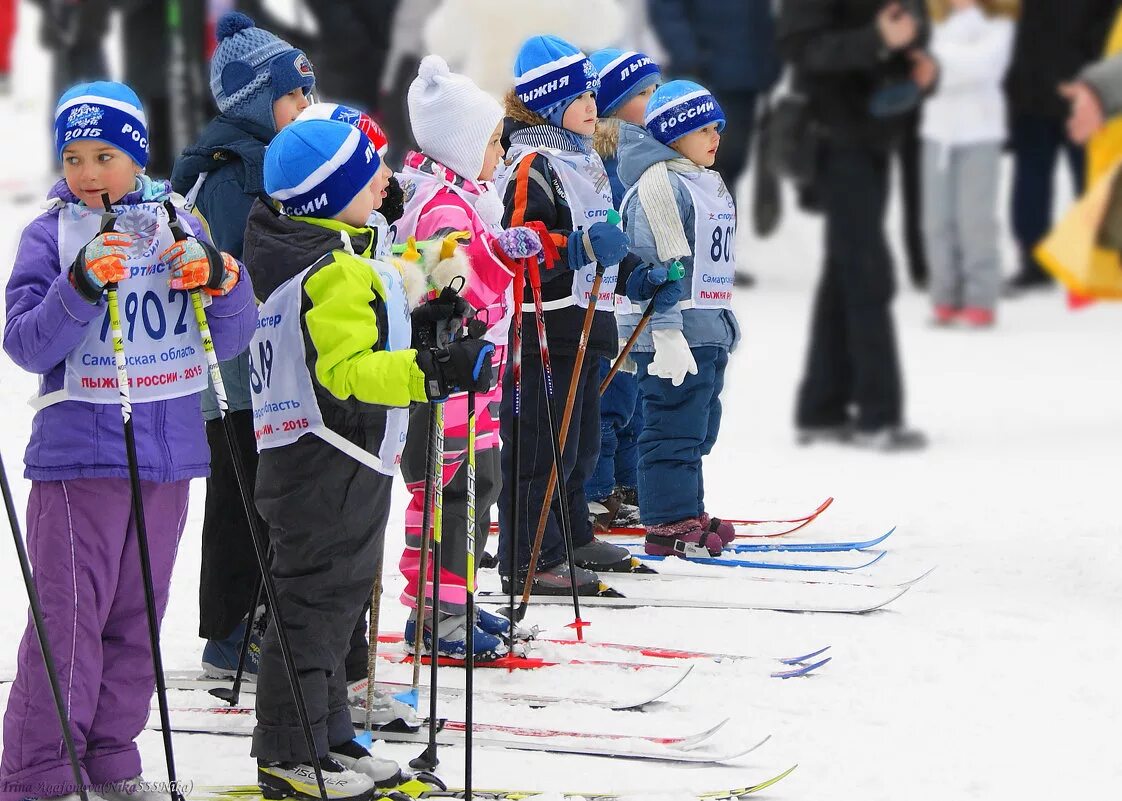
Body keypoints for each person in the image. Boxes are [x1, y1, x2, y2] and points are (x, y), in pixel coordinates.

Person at [1, 80, 255, 801]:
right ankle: (41, 770)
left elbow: (231, 335)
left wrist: (221, 277)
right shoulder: (51, 233)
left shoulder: (179, 218)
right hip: (80, 455)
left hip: (168, 456)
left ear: (136, 155)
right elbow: (24, 342)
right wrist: (78, 285)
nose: (85, 173)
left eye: (103, 155)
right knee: (69, 618)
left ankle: (111, 755)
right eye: (73, 156)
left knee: (136, 615)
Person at [246, 117, 492, 797]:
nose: (386, 178)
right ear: (334, 193)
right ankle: (287, 751)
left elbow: (395, 286)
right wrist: (433, 369)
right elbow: (350, 371)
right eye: (370, 170)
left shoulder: (343, 254)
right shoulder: (327, 272)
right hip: (319, 460)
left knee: (340, 598)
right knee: (312, 604)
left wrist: (443, 285)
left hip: (343, 456)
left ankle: (329, 737)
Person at [170, 10, 315, 680]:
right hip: (230, 371)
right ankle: (229, 629)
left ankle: (260, 613)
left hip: (267, 363)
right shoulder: (230, 169)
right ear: (257, 99)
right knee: (241, 495)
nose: (305, 106)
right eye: (293, 95)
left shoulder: (269, 158)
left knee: (268, 493)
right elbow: (231, 263)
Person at [394, 55, 537, 658]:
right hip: (447, 380)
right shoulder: (442, 208)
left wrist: (497, 246)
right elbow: (440, 293)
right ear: (463, 145)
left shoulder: (465, 202)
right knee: (451, 491)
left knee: (480, 484)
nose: (501, 153)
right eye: (494, 142)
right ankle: (436, 614)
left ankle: (458, 598)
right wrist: (501, 259)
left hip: (476, 379)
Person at [495, 34, 635, 595]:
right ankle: (532, 554)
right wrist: (576, 246)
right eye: (581, 98)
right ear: (553, 103)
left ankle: (572, 535)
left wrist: (633, 274)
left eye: (594, 97)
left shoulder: (585, 162)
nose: (593, 108)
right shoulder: (533, 164)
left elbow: (603, 241)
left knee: (580, 445)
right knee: (540, 446)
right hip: (543, 327)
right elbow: (521, 242)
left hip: (586, 318)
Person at [779, 0, 931, 452]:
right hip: (834, 139)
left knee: (846, 269)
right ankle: (877, 415)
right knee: (866, 270)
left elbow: (908, 30)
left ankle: (822, 408)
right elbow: (803, 49)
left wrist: (915, 63)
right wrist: (878, 40)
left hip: (875, 136)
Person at [615, 80, 737, 555]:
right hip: (673, 333)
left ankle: (689, 508)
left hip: (705, 331)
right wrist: (664, 333)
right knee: (671, 425)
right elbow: (653, 261)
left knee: (698, 426)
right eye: (703, 128)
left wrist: (725, 323)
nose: (715, 137)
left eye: (717, 128)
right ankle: (668, 522)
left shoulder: (701, 181)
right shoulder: (661, 187)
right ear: (673, 134)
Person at [647, 0, 782, 287]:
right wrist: (691, 58)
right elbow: (667, 11)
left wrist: (770, 67)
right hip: (704, 80)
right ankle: (693, 258)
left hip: (745, 81)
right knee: (701, 170)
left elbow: (763, 19)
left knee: (730, 168)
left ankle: (719, 258)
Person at [585, 47, 662, 532]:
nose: (653, 101)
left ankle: (628, 484)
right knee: (607, 396)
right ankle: (595, 491)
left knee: (632, 397)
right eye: (642, 93)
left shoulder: (649, 152)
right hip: (602, 296)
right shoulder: (598, 158)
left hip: (635, 290)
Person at [1003, 0, 1115, 293]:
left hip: (1082, 92)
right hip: (1032, 92)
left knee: (1089, 180)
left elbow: (1107, 28)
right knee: (1031, 180)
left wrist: (1095, 81)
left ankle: (1097, 259)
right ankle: (1033, 260)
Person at [921, 0, 1014, 327]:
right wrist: (944, 67)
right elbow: (920, 68)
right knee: (937, 220)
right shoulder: (933, 24)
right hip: (937, 131)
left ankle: (980, 298)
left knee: (975, 220)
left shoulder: (1000, 25)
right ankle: (944, 295)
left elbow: (987, 66)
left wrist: (941, 67)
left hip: (980, 132)